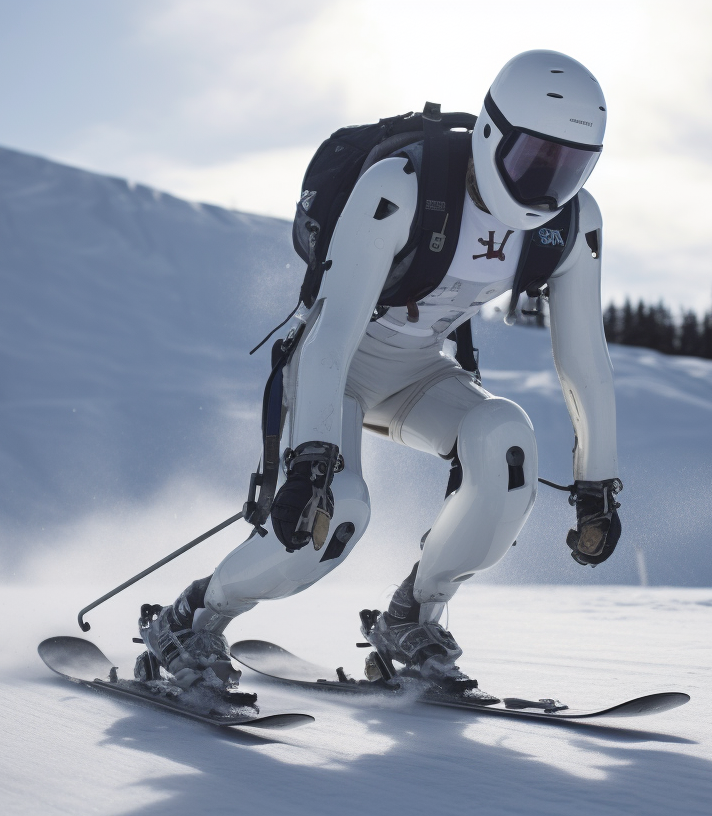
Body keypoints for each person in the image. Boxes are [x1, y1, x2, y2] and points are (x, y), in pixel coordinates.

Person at [140, 50, 622, 695]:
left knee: (507, 442)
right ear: (488, 133)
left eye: (569, 167)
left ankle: (412, 620)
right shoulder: (402, 186)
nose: (546, 185)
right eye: (532, 158)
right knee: (336, 513)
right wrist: (311, 461)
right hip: (325, 371)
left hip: (417, 375)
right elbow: (330, 333)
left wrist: (598, 484)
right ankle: (193, 619)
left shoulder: (572, 222)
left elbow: (584, 358)